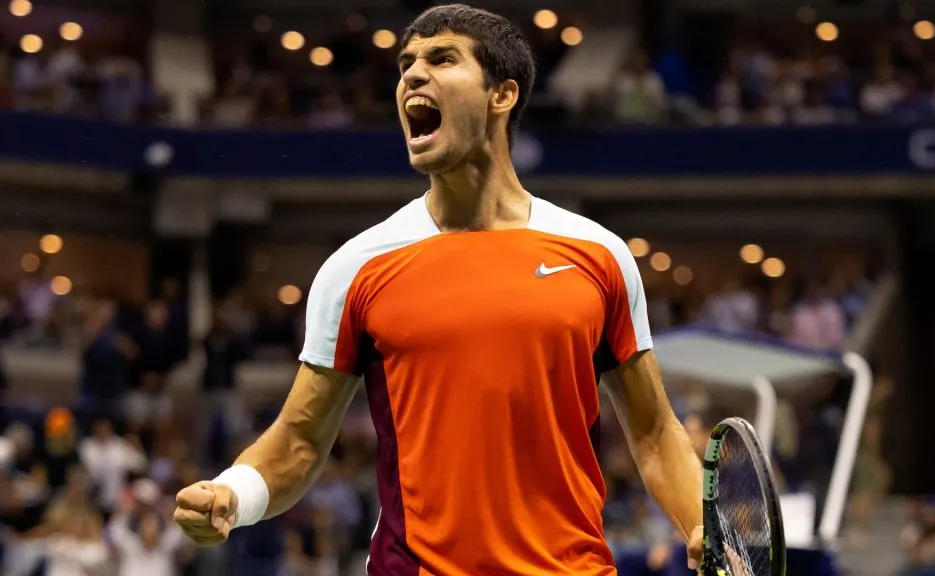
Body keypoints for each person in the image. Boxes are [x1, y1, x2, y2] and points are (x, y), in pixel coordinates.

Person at [173, 4, 706, 574]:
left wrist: (702, 525)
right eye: (406, 63)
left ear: (502, 95)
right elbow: (299, 440)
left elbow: (652, 433)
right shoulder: (355, 268)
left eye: (442, 58)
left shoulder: (600, 255)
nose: (411, 76)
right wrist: (233, 494)